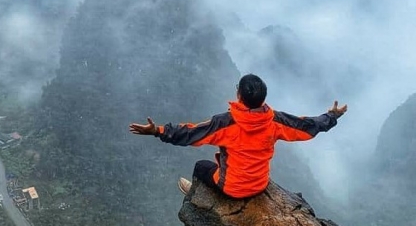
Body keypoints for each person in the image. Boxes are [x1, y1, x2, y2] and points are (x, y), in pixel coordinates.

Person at [129, 74, 347, 198]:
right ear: (263, 99)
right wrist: (332, 116)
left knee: (201, 167)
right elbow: (307, 126)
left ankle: (196, 197)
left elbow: (191, 134)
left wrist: (157, 131)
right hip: (260, 185)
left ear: (239, 95)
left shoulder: (226, 123)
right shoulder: (275, 121)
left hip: (232, 188)